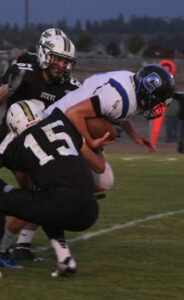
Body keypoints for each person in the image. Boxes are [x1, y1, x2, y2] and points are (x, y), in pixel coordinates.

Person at [0, 28, 81, 266]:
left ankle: (18, 246)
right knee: (36, 197)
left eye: (66, 62)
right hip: (8, 139)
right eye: (57, 59)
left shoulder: (71, 87)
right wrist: (9, 88)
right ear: (44, 55)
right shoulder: (25, 67)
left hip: (36, 150)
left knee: (42, 195)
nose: (61, 66)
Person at [0, 100, 106, 276]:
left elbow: (25, 187)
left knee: (45, 202)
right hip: (90, 209)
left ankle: (1, 250)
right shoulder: (62, 122)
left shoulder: (17, 146)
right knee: (46, 202)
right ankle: (65, 260)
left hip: (57, 203)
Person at [44, 64, 175, 150]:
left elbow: (123, 114)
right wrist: (90, 141)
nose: (156, 105)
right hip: (54, 122)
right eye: (157, 100)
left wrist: (135, 136)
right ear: (146, 91)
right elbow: (74, 113)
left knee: (103, 177)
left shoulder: (132, 85)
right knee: (110, 135)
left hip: (69, 118)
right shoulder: (119, 98)